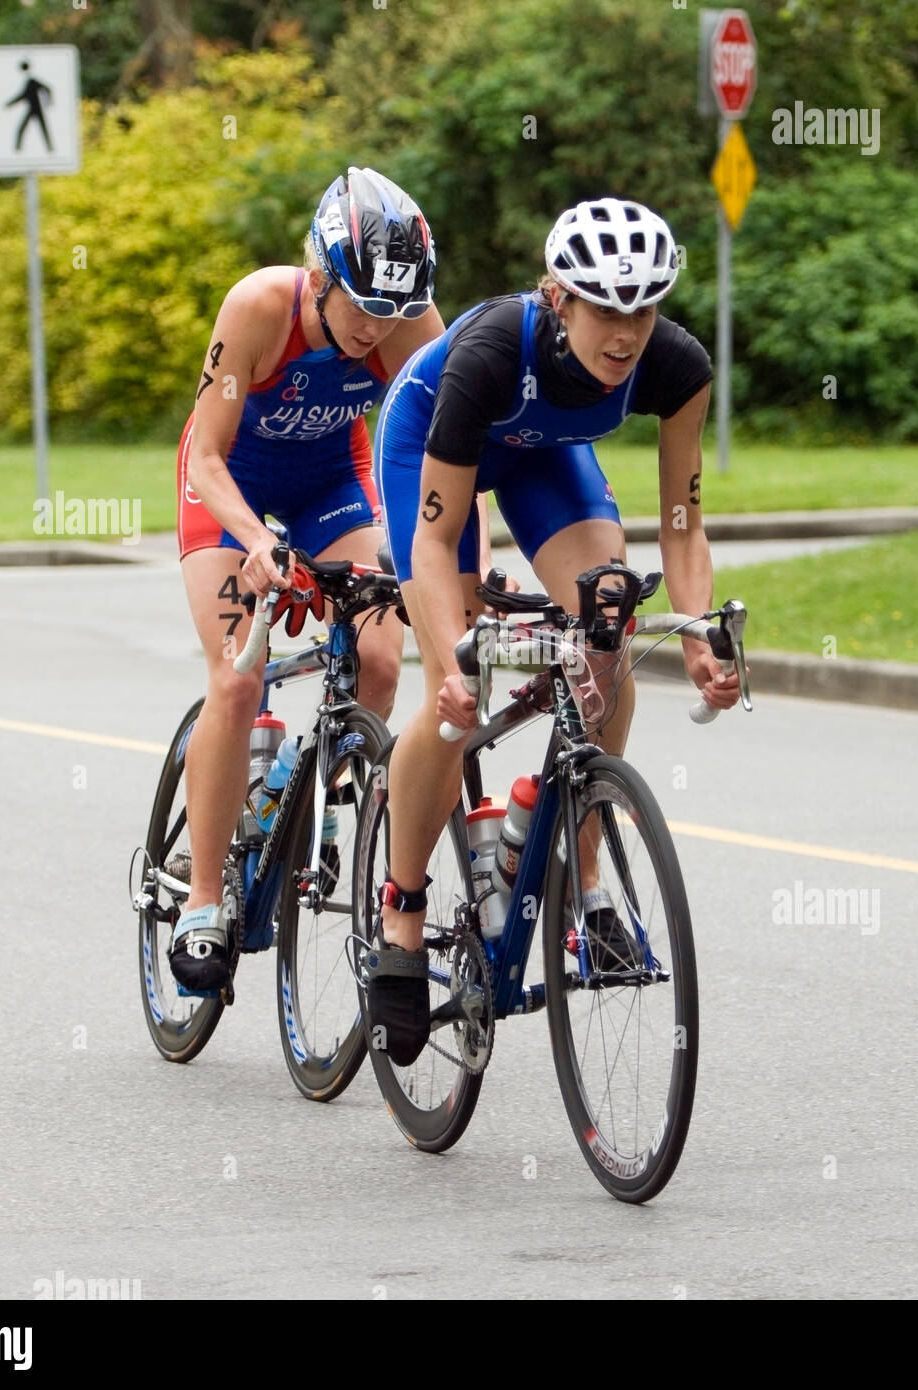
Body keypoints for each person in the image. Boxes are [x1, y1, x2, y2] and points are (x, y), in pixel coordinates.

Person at [368, 197, 740, 1064]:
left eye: (643, 308)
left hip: (544, 457)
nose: (626, 333)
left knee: (607, 613)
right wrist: (444, 653)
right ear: (558, 299)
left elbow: (682, 523)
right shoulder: (496, 349)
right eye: (606, 308)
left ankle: (579, 877)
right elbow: (431, 535)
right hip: (435, 446)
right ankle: (403, 913)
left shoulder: (676, 364)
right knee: (455, 702)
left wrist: (695, 640)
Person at [170, 167, 444, 991]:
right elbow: (207, 456)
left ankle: (310, 783)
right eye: (360, 305)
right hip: (232, 486)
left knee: (385, 661)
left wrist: (451, 554)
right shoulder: (257, 306)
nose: (375, 329)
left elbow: (440, 455)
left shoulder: (412, 326)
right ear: (319, 277)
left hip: (331, 480)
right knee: (237, 676)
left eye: (393, 311)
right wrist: (255, 542)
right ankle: (206, 900)